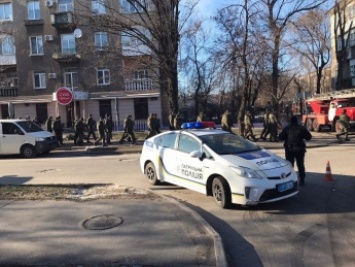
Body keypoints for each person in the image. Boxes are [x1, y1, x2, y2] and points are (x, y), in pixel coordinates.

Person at [278, 116, 312, 186]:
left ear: (290, 121)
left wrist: (286, 137)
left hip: (290, 149)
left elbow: (280, 137)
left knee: (290, 166)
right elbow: (309, 137)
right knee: (300, 165)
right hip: (300, 149)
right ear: (297, 121)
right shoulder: (302, 128)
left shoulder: (287, 128)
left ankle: (290, 180)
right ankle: (302, 180)